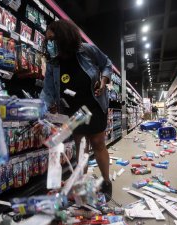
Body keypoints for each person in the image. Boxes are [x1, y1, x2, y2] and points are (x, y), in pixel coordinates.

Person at [40, 19, 113, 201]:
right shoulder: (53, 64)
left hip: (94, 104)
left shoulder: (86, 50)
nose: (49, 44)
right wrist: (37, 110)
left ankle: (106, 181)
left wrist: (103, 82)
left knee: (97, 143)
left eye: (52, 40)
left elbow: (107, 64)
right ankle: (83, 186)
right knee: (81, 148)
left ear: (64, 38)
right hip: (73, 110)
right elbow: (47, 91)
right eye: (47, 41)